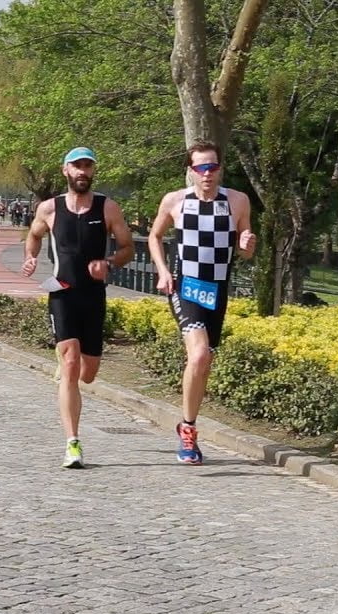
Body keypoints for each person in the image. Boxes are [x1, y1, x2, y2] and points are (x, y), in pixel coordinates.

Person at [22, 147, 134, 468]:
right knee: (70, 363)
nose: (82, 171)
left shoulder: (107, 207)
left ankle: (70, 370)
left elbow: (127, 247)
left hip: (93, 295)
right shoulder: (49, 208)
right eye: (77, 166)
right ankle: (73, 443)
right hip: (62, 292)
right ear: (66, 171)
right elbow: (34, 236)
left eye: (88, 166)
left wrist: (109, 263)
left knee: (88, 373)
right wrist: (30, 257)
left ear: (93, 171)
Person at [147, 140, 256, 465]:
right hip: (186, 287)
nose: (207, 173)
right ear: (191, 171)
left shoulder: (237, 201)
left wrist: (248, 244)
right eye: (201, 168)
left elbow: (244, 250)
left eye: (212, 167)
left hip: (217, 289)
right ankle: (189, 431)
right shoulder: (175, 201)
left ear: (220, 169)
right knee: (198, 355)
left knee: (204, 361)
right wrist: (163, 271)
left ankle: (187, 421)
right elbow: (154, 236)